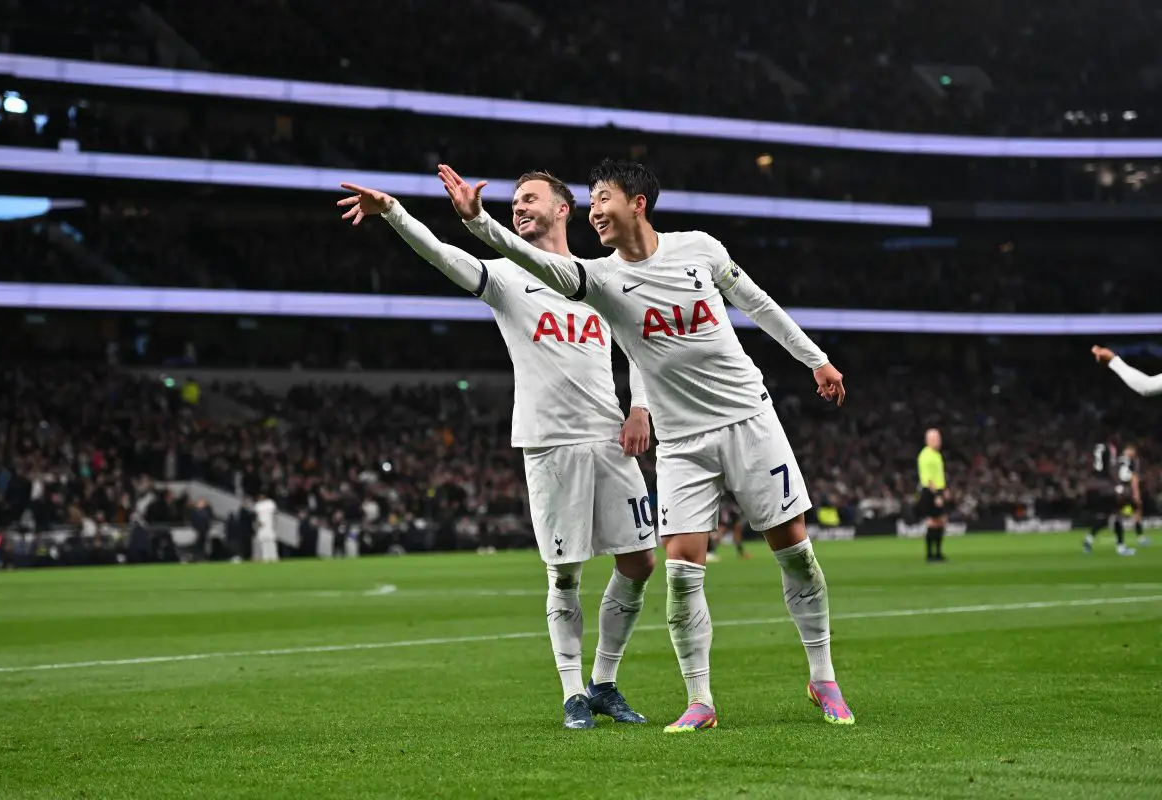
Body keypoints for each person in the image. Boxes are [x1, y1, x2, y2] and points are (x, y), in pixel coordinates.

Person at [439, 159, 853, 731]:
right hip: (682, 443)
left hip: (749, 417)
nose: (594, 211)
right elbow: (535, 261)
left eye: (603, 197)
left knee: (795, 552)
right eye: (589, 200)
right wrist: (479, 224)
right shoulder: (599, 279)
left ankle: (823, 677)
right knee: (682, 574)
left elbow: (757, 303)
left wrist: (816, 360)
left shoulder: (700, 249)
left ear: (637, 202)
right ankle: (700, 702)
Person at [337, 174, 657, 730]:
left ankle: (605, 681)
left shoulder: (598, 277)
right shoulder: (508, 277)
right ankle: (573, 691)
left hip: (610, 438)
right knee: (564, 574)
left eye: (528, 199)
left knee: (640, 562)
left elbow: (644, 346)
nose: (518, 208)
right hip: (550, 443)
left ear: (564, 209)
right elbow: (442, 256)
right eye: (513, 204)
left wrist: (640, 407)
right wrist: (392, 212)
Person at [915, 429, 948, 562]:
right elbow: (928, 479)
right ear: (928, 440)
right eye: (936, 439)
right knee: (933, 522)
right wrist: (937, 495)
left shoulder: (936, 455)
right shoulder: (925, 455)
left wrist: (944, 489)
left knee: (940, 522)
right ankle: (930, 554)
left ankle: (938, 553)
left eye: (939, 438)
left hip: (938, 490)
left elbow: (938, 475)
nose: (939, 441)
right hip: (930, 491)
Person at [255, 490, 279, 563]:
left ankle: (274, 557)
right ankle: (266, 558)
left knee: (271, 542)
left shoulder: (270, 503)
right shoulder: (258, 505)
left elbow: (275, 514)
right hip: (262, 526)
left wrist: (275, 524)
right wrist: (258, 524)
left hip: (270, 525)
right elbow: (257, 516)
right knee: (264, 542)